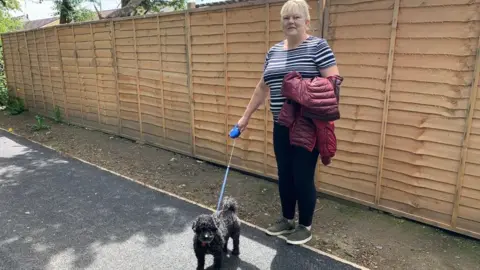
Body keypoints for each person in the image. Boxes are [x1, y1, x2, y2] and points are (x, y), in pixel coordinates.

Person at [235, 0, 340, 245]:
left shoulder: (318, 47)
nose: (291, 21)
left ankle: (305, 225)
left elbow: (334, 83)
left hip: (307, 126)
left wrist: (301, 89)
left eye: (296, 17)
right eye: (286, 18)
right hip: (280, 125)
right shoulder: (273, 51)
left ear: (306, 21)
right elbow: (262, 87)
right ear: (281, 22)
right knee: (284, 174)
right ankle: (286, 219)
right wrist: (245, 117)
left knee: (302, 176)